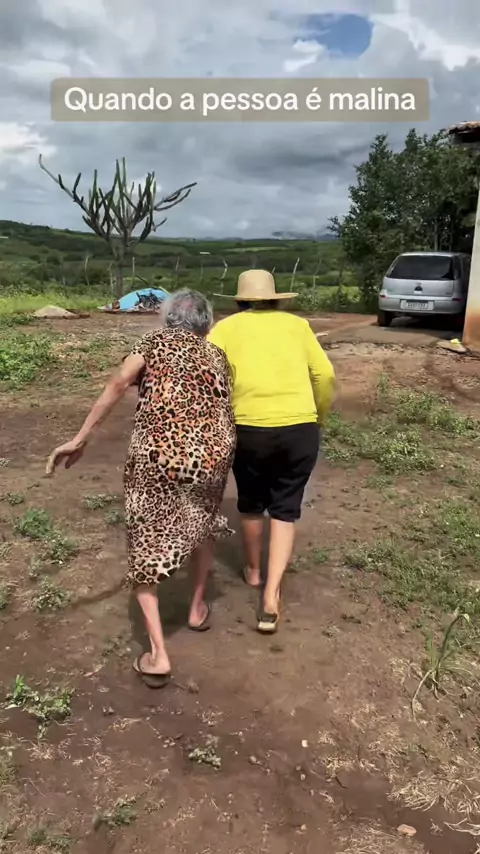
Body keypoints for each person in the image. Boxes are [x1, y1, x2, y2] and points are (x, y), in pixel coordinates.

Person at [46, 289, 236, 688]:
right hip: (213, 457)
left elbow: (119, 382)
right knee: (201, 523)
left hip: (158, 456)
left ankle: (158, 655)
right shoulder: (217, 354)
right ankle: (196, 608)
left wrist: (80, 438)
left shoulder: (151, 342)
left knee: (146, 539)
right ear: (206, 323)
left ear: (168, 318)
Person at [208, 270, 335, 634]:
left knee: (250, 502)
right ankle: (271, 596)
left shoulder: (224, 329)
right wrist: (319, 416)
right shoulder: (298, 326)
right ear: (276, 298)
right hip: (298, 429)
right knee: (285, 508)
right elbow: (325, 376)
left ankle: (253, 572)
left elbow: (209, 377)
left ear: (240, 299)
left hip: (247, 429)